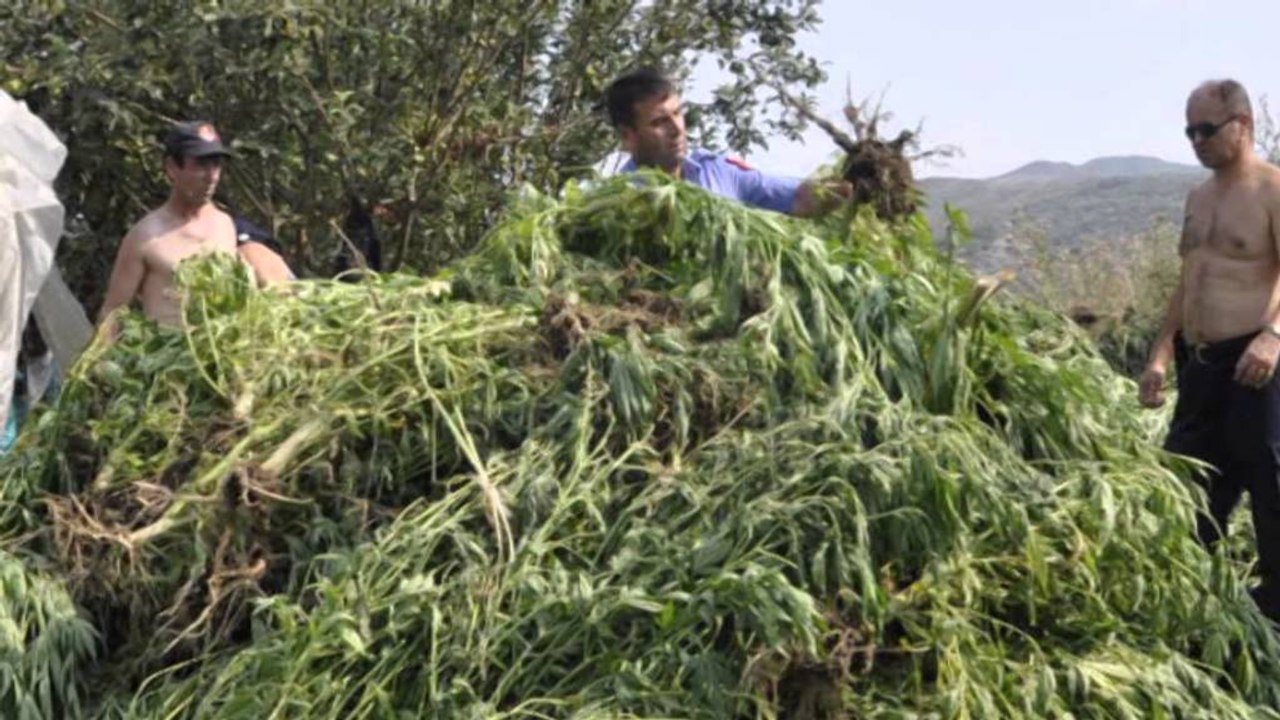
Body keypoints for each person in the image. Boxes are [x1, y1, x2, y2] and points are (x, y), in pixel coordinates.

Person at [1139, 79, 1280, 621]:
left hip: (1256, 363)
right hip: (1201, 364)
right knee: (1189, 484)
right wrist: (1160, 350)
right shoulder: (1197, 198)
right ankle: (1192, 606)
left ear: (1243, 125)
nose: (1196, 141)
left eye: (1206, 129)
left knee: (1269, 487)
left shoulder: (1271, 190)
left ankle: (1274, 617)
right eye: (1188, 131)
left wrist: (1273, 337)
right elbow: (1188, 279)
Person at [604, 68, 852, 217]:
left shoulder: (717, 171)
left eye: (678, 113)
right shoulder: (617, 202)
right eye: (659, 122)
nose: (677, 129)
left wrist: (854, 184)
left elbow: (800, 198)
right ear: (628, 136)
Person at [99, 120, 241, 330]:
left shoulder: (225, 225)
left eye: (216, 164)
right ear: (172, 168)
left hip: (221, 357)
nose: (212, 176)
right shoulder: (146, 237)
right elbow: (112, 315)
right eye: (201, 165)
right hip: (170, 356)